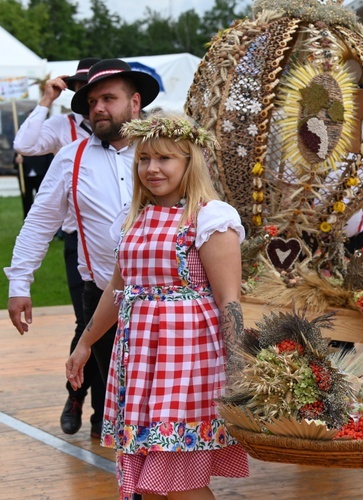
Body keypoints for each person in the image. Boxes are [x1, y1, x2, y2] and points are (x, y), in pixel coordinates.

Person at [65, 114, 250, 499]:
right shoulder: (133, 218)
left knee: (180, 483)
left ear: (188, 162)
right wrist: (85, 343)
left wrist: (238, 368)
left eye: (164, 159)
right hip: (141, 361)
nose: (151, 168)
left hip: (187, 361)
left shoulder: (210, 218)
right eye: (144, 159)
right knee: (151, 484)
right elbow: (118, 287)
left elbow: (228, 299)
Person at [4, 59, 160, 440]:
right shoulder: (70, 158)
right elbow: (39, 224)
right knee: (121, 399)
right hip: (105, 298)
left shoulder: (164, 153)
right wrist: (19, 285)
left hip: (167, 299)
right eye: (92, 102)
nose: (99, 108)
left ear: (135, 102)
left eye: (109, 98)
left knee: (164, 400)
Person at [11, 57, 103, 438]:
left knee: (122, 329)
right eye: (82, 87)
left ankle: (105, 412)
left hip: (125, 248)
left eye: (101, 91)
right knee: (88, 323)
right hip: (75, 241)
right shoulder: (63, 128)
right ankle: (77, 395)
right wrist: (46, 99)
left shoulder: (137, 134)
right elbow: (24, 143)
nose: (91, 97)